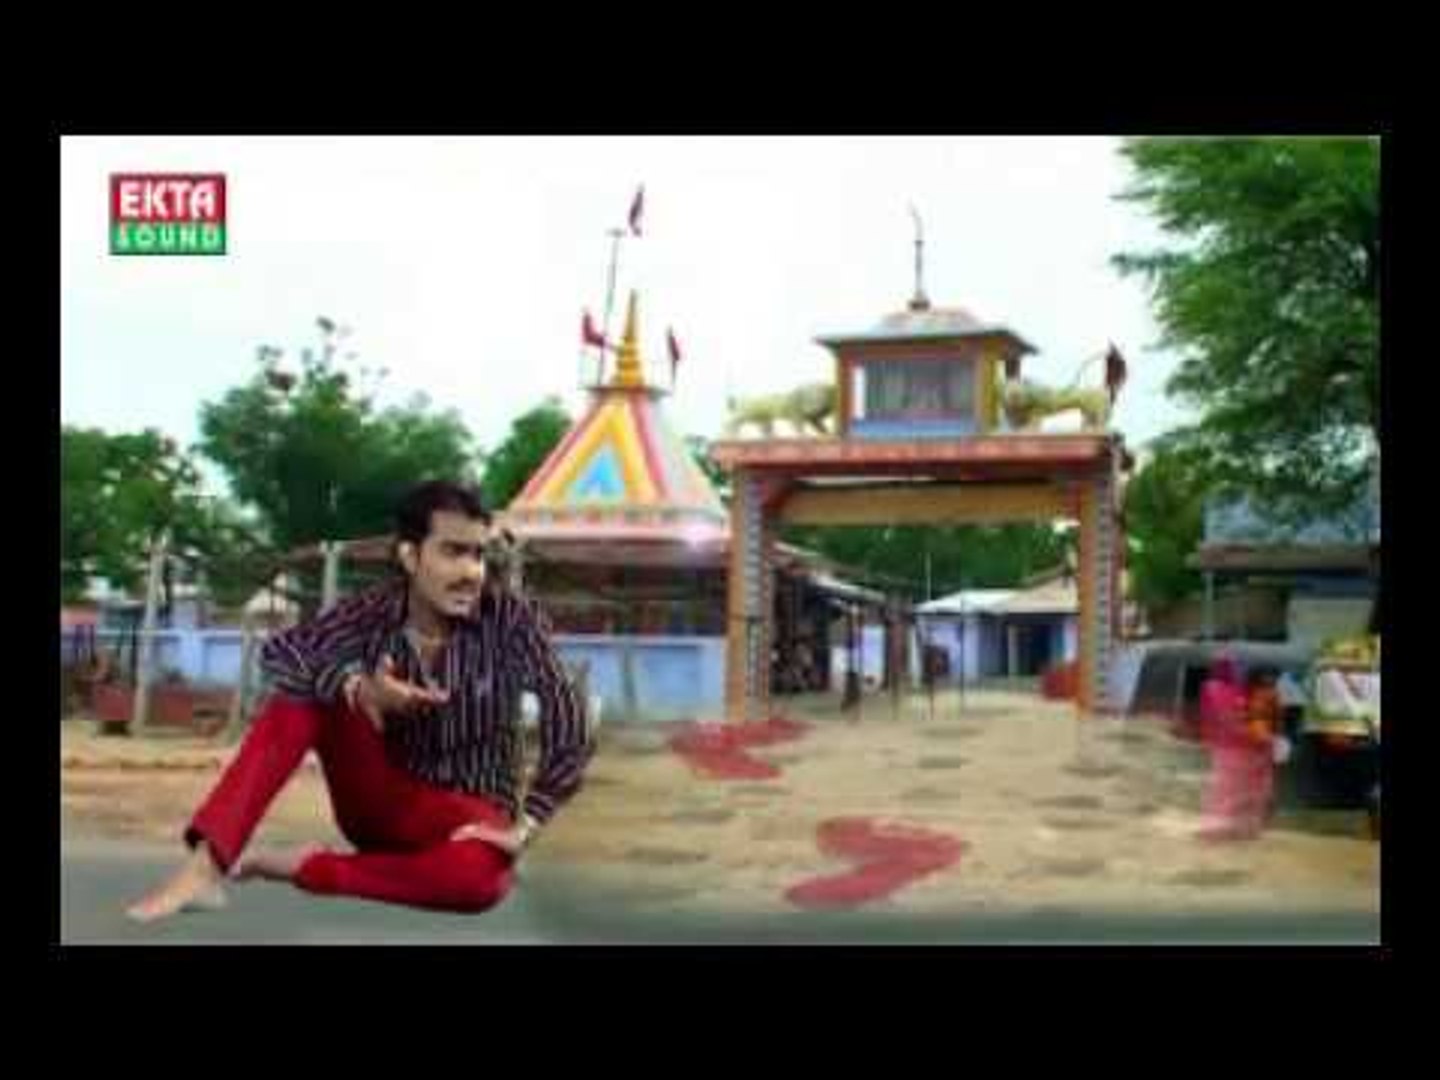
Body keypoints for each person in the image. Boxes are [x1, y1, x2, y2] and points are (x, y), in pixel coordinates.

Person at [126, 480, 593, 921]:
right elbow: (282, 653)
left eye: (478, 554)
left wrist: (527, 824)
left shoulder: (510, 619)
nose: (471, 572)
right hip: (377, 799)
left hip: (467, 816)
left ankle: (307, 867)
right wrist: (356, 687)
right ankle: (205, 868)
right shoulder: (373, 611)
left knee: (480, 882)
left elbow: (567, 712)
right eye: (453, 552)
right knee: (307, 686)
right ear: (410, 556)